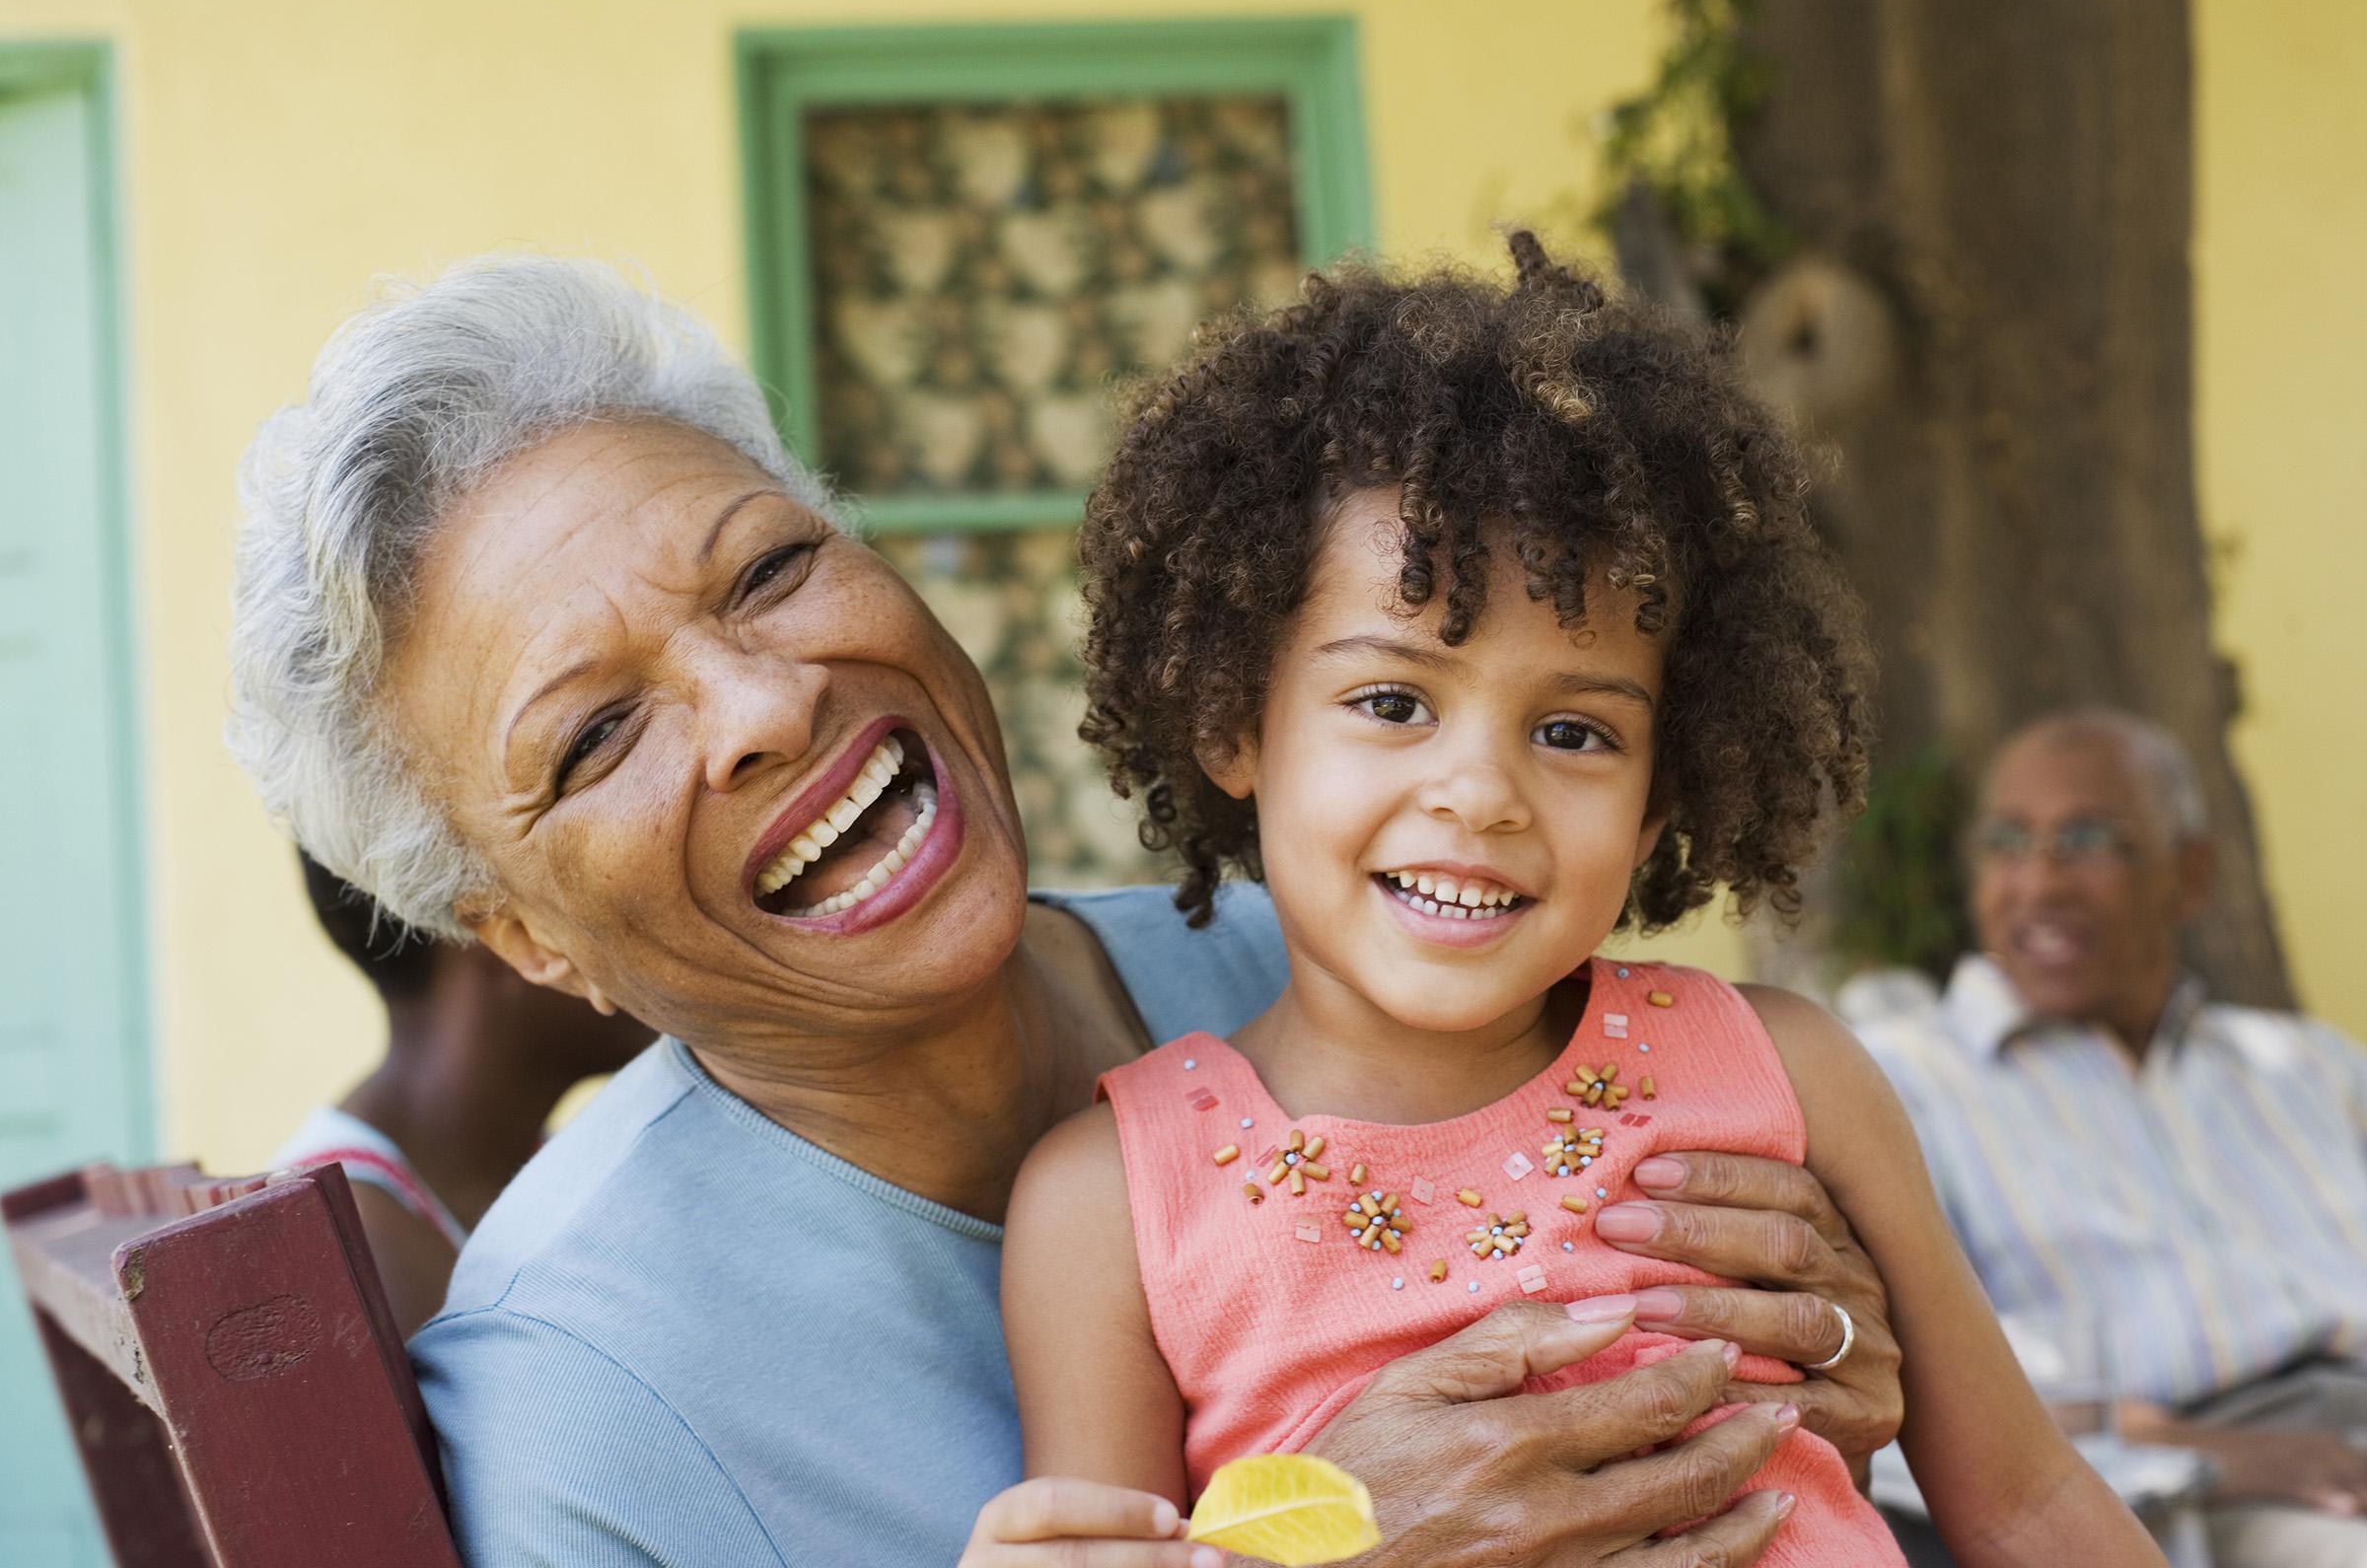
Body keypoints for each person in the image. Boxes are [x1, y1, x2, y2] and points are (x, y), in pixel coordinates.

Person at [229, 252, 1909, 1568]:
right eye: (595, 736)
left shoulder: (1334, 961)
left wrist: (1812, 1352)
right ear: (524, 937)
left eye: (768, 570)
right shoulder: (592, 1400)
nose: (756, 705)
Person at [993, 236, 2159, 1568]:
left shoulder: (1789, 1075)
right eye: (1390, 703)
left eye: (1576, 734)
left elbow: (2026, 1503)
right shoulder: (1110, 1207)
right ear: (1230, 721)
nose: (1481, 792)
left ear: (1668, 788)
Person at [1852, 708, 2367, 1568]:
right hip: (2183, 1497)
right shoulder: (1902, 1086)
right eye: (2007, 843)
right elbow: (1891, 1406)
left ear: (2190, 875)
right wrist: (2198, 1456)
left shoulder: (2309, 1069)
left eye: (2088, 839)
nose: (2040, 883)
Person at [273, 850, 654, 1334]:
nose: (652, 941)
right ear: (501, 937)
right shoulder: (357, 1246)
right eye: (596, 902)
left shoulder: (539, 1170)